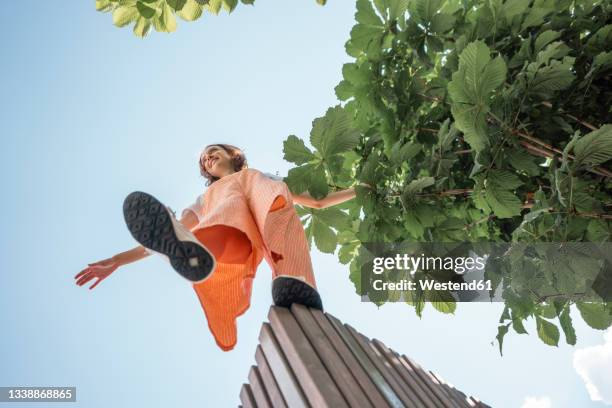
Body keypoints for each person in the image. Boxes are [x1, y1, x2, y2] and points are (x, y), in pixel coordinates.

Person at [74, 144, 366, 351]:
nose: (207, 159)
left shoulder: (263, 177)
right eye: (203, 160)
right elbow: (180, 228)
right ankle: (194, 253)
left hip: (272, 213)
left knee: (279, 225)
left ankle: (295, 279)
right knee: (220, 226)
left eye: (212, 152)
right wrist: (117, 260)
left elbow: (318, 202)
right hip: (232, 235)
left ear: (233, 154)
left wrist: (363, 188)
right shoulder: (207, 198)